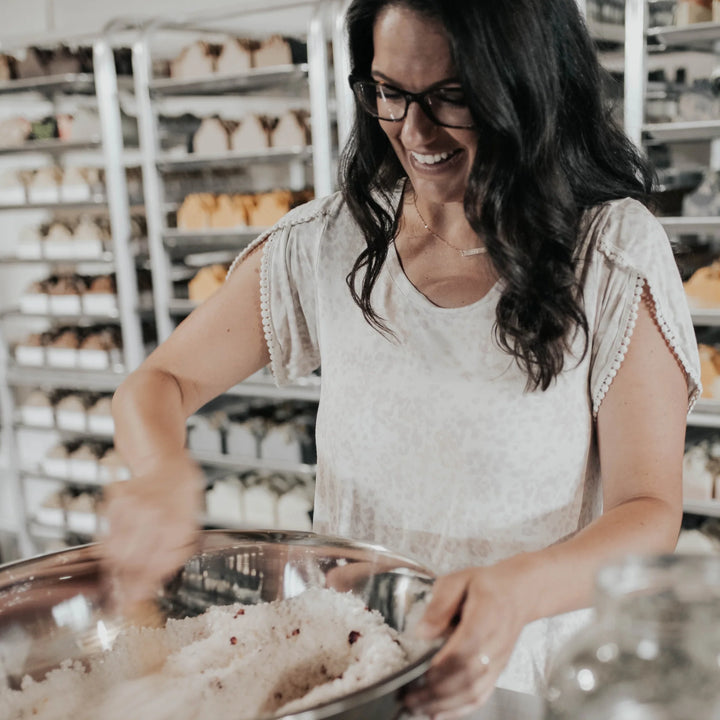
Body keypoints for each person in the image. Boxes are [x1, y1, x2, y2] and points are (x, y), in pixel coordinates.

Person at [104, 0, 700, 717]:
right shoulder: (332, 243)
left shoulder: (610, 250)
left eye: (452, 96)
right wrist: (163, 468)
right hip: (347, 672)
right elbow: (160, 381)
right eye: (390, 92)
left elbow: (649, 509)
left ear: (528, 86)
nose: (414, 131)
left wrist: (511, 590)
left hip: (521, 681)